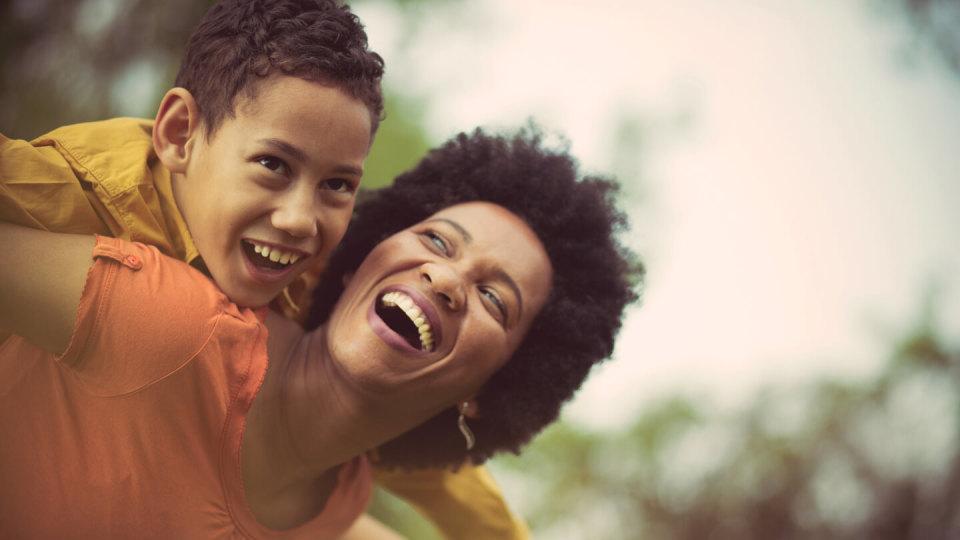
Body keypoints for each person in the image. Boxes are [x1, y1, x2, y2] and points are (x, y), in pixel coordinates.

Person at [0, 0, 529, 535]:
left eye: (337, 185)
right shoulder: (63, 193)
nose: (300, 220)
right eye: (274, 166)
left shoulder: (311, 283)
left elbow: (395, 424)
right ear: (180, 133)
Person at [0, 128, 640, 538]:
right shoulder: (174, 327)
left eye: (495, 299)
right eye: (438, 241)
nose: (446, 279)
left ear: (492, 390)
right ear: (366, 253)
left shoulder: (336, 502)